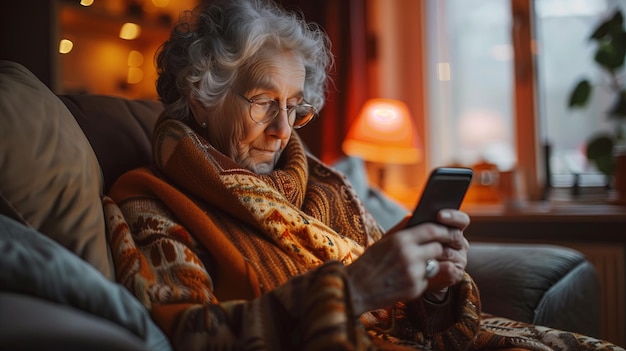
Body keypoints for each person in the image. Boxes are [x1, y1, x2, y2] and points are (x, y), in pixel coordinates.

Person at [103, 0, 623, 350]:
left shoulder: (325, 187)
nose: (283, 130)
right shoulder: (152, 201)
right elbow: (188, 335)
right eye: (264, 103)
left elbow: (404, 311)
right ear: (201, 95)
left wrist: (434, 287)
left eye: (295, 107)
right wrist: (350, 291)